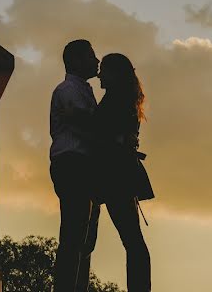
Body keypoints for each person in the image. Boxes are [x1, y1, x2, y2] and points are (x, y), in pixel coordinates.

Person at [95, 53, 152, 292]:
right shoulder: (124, 99)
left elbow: (105, 135)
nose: (100, 75)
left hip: (116, 174)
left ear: (115, 74)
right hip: (122, 173)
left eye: (104, 70)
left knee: (132, 239)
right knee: (132, 239)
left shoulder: (115, 100)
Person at [50, 39, 101, 292]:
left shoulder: (81, 89)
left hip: (82, 165)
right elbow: (83, 123)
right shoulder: (68, 90)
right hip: (73, 163)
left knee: (84, 237)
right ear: (77, 60)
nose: (97, 60)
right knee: (74, 234)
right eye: (92, 55)